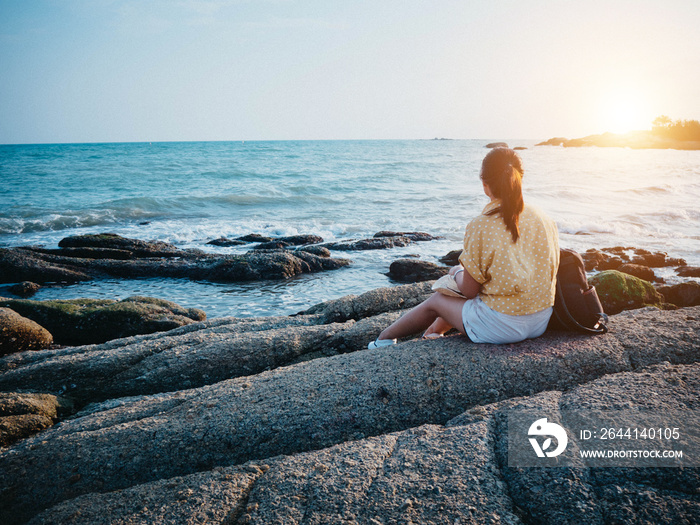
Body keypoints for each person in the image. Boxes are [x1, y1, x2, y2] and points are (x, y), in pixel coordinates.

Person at [368, 147, 559, 348]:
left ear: (485, 184)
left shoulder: (481, 225)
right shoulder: (544, 218)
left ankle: (383, 340)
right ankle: (432, 334)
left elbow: (469, 291)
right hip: (540, 320)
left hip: (503, 327)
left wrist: (458, 271)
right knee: (473, 296)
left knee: (437, 300)